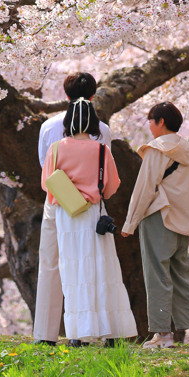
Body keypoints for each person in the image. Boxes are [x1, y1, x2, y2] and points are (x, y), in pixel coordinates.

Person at [41, 98, 137, 345]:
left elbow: (46, 184)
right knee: (103, 269)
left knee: (73, 271)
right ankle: (111, 332)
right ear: (93, 121)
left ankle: (79, 333)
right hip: (93, 213)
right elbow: (112, 186)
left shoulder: (56, 149)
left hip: (67, 214)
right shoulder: (102, 150)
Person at [34, 72, 112, 346]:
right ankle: (87, 331)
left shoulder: (49, 127)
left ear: (65, 95)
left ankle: (45, 334)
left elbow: (46, 168)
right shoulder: (102, 131)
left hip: (57, 202)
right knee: (89, 265)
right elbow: (103, 175)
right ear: (93, 97)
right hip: (90, 205)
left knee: (51, 263)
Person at [121, 101, 189, 349]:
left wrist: (130, 222)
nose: (149, 125)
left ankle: (163, 335)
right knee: (182, 276)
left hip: (160, 215)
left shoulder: (157, 149)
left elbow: (145, 187)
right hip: (184, 218)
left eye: (150, 120)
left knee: (157, 275)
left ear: (160, 122)